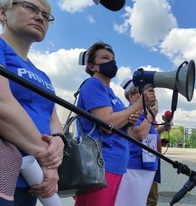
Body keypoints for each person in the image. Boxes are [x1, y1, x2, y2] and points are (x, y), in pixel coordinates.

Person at [74, 41, 156, 206]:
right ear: (92, 66)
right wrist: (139, 105)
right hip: (99, 164)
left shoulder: (111, 94)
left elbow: (117, 125)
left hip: (115, 164)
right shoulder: (93, 84)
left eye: (113, 58)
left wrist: (127, 122)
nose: (112, 62)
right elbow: (107, 123)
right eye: (105, 58)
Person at [0, 0, 65, 205]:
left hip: (33, 179)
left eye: (46, 16)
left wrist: (57, 151)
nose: (40, 17)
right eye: (30, 7)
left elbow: (53, 120)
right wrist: (47, 159)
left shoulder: (43, 76)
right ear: (3, 13)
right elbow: (2, 105)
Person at [115, 79, 171, 206]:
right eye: (143, 93)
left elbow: (149, 133)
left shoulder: (143, 113)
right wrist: (151, 114)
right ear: (131, 96)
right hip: (135, 166)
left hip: (147, 165)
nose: (148, 96)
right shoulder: (131, 112)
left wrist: (163, 128)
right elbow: (139, 134)